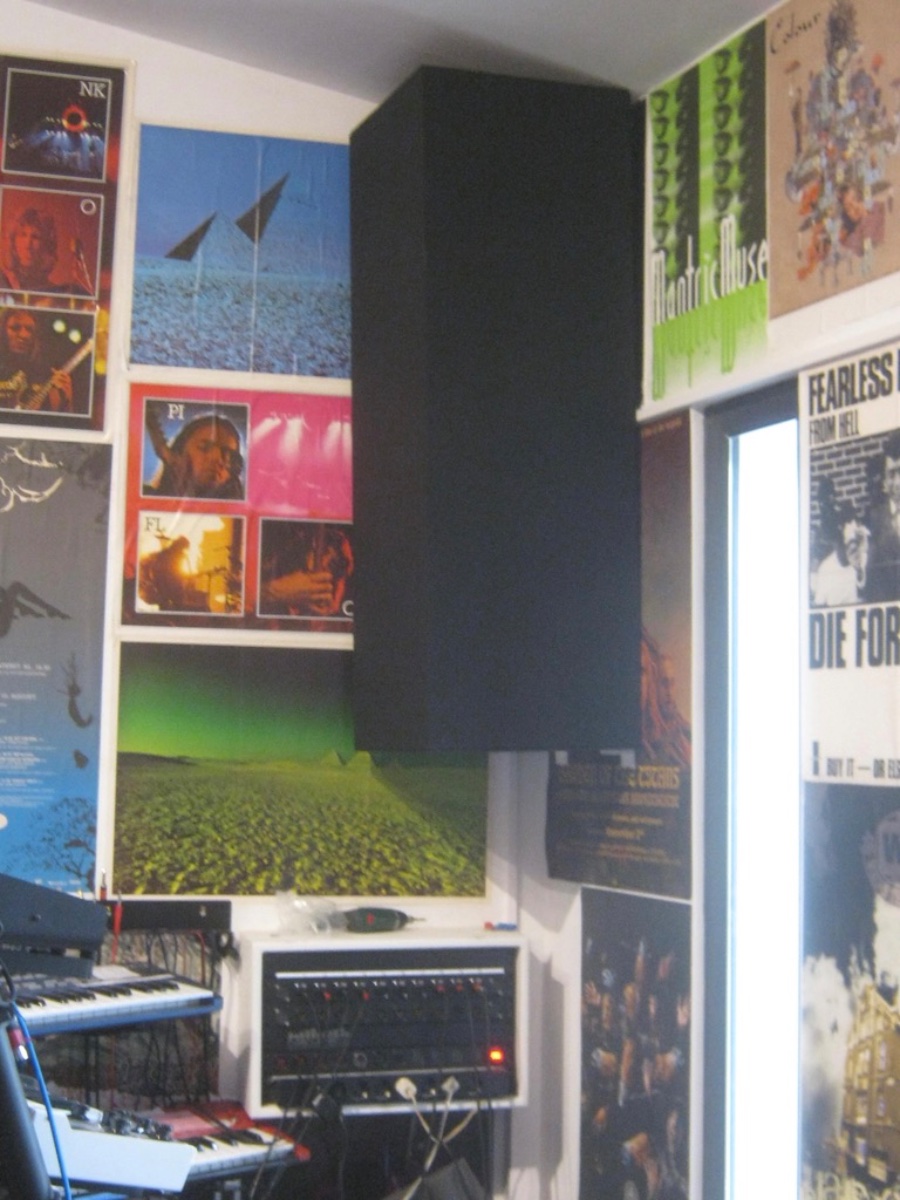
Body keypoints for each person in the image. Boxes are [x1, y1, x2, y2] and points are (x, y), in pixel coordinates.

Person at [145, 412, 245, 500]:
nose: (218, 459)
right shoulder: (147, 495)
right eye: (204, 448)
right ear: (180, 452)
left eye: (228, 456)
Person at [0, 207, 91, 296]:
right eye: (23, 235)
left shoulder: (56, 292)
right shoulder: (3, 280)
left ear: (46, 245)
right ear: (13, 241)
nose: (28, 244)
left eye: (35, 237)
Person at [0, 307, 74, 412]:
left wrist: (66, 399)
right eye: (15, 328)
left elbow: (63, 417)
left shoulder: (47, 374)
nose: (24, 335)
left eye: (29, 329)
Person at [810, 500, 869, 606]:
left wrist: (859, 569)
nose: (853, 549)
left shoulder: (861, 557)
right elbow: (819, 604)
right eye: (848, 544)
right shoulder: (826, 568)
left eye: (855, 542)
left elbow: (864, 589)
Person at [865, 432, 900, 602]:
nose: (898, 482)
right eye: (892, 474)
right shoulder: (874, 521)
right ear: (885, 481)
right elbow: (871, 583)